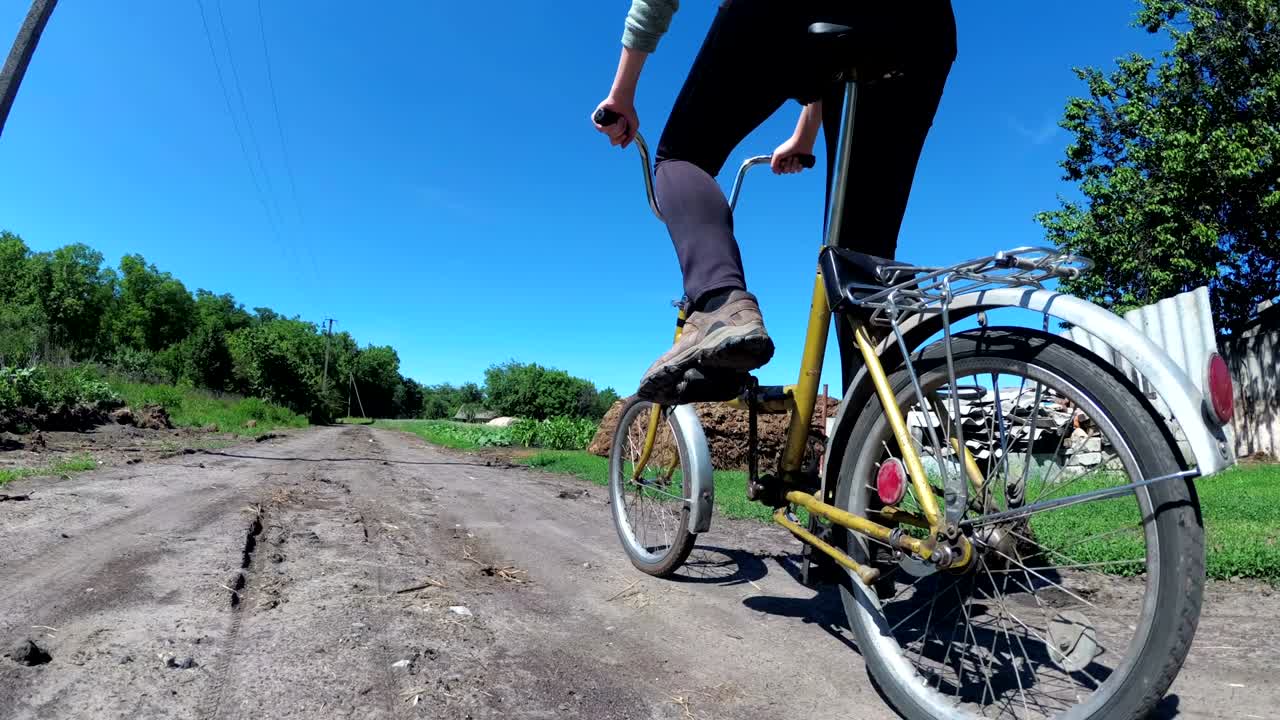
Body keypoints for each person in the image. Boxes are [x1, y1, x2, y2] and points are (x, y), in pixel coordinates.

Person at [594, 1, 957, 403]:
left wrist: (621, 93)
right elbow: (837, 47)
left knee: (683, 156)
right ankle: (873, 440)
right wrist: (806, 133)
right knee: (862, 260)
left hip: (786, 14)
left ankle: (720, 304)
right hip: (923, 27)